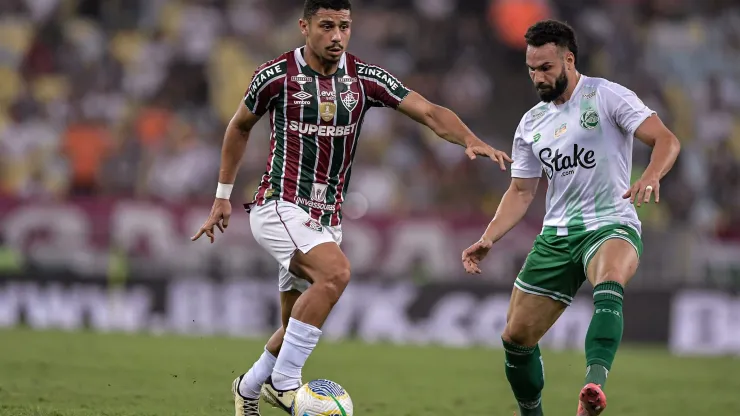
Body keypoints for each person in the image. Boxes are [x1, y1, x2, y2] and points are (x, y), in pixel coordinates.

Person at [190, 1, 512, 415]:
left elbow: (429, 111)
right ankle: (286, 386)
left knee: (292, 327)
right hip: (279, 205)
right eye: (327, 26)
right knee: (336, 272)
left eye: (344, 26)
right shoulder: (274, 76)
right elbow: (239, 125)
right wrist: (221, 195)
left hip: (328, 216)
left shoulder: (364, 78)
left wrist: (469, 138)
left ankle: (249, 388)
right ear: (304, 27)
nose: (337, 36)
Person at [461, 20, 680, 416]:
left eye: (545, 68)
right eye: (531, 69)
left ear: (569, 59)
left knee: (610, 279)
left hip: (612, 222)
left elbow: (667, 139)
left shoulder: (607, 96)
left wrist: (649, 175)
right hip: (557, 236)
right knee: (516, 337)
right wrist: (490, 237)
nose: (537, 77)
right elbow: (522, 191)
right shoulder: (531, 123)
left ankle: (593, 385)